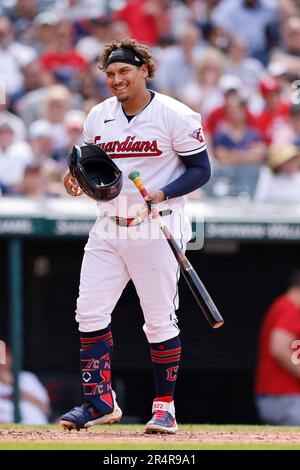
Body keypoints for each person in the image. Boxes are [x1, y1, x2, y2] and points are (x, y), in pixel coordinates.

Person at [61, 38, 211, 434]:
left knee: (159, 320)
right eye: (110, 73)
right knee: (89, 312)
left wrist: (164, 192)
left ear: (144, 70)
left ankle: (164, 407)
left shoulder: (176, 114)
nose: (116, 79)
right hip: (108, 225)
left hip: (157, 223)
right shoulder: (99, 115)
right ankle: (99, 401)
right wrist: (75, 177)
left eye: (124, 71)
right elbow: (90, 162)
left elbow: (201, 170)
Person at [255, 271, 300, 425]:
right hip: (284, 397)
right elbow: (279, 348)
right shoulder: (290, 308)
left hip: (282, 397)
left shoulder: (285, 306)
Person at [0, 349, 50, 424]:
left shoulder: (27, 377)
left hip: (35, 427)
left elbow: (46, 409)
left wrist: (13, 384)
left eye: (4, 356)